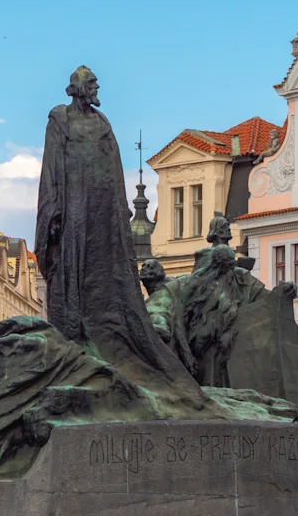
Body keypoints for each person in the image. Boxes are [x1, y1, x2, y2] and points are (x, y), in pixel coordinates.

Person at [34, 66, 203, 402]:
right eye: (93, 83)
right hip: (72, 205)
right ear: (79, 87)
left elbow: (113, 169)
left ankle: (105, 338)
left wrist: (119, 211)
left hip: (101, 209)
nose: (97, 88)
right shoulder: (59, 118)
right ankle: (75, 335)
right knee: (72, 269)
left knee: (104, 273)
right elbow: (51, 164)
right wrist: (53, 206)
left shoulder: (102, 122)